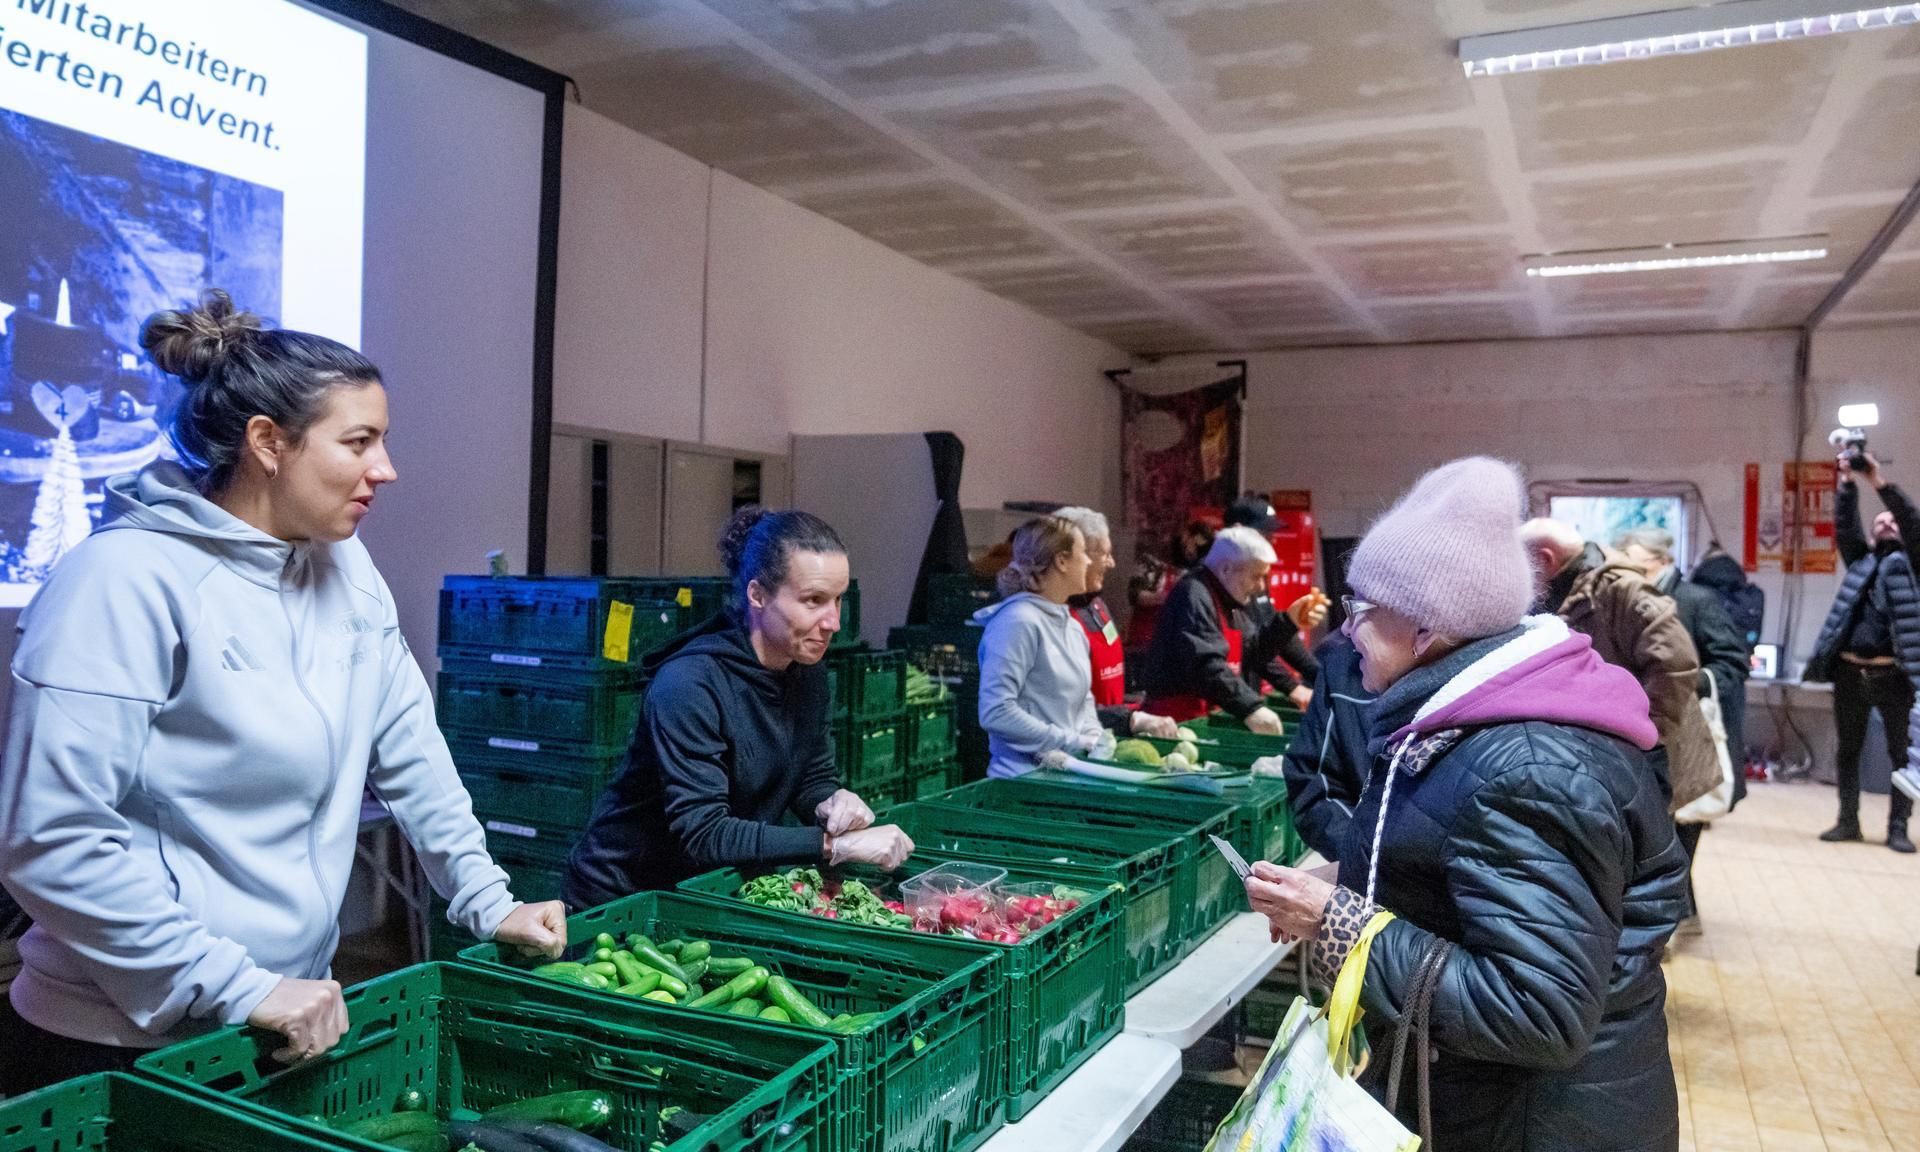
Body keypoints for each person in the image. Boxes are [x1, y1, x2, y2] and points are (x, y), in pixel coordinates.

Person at [0, 291, 567, 1094]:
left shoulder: (347, 569)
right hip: (117, 1041)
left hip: (288, 1014)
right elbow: (51, 838)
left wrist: (486, 898)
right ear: (269, 442)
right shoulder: (122, 581)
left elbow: (410, 750)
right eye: (360, 441)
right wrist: (239, 985)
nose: (387, 469)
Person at [1245, 457, 1688, 1152]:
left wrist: (1338, 921)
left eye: (1363, 610)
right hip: (1496, 1108)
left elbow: (1535, 1009)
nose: (1347, 630)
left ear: (1427, 630)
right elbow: (1468, 878)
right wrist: (1359, 879)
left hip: (1536, 1125)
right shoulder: (1473, 723)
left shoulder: (1525, 769)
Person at [565, 507, 915, 904]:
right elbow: (704, 831)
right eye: (814, 600)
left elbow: (810, 775)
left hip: (706, 888)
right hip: (624, 895)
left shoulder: (807, 670)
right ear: (758, 595)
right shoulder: (690, 684)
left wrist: (831, 801)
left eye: (837, 600)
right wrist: (835, 846)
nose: (832, 621)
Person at [1522, 518, 1719, 815]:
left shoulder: (1621, 588)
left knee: (1659, 854)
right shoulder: (1567, 589)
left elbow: (1676, 663)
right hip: (1617, 756)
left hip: (1656, 758)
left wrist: (1643, 736)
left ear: (1545, 559)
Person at [1618, 527, 1753, 927]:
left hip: (1685, 733)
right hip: (1642, 730)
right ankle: (1679, 910)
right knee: (1655, 830)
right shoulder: (1623, 599)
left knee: (1681, 826)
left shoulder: (1696, 600)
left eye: (1638, 566)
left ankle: (1669, 917)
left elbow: (1733, 660)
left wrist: (1687, 681)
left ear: (1662, 562)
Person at [1802, 451, 1920, 853]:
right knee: (1848, 749)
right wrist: (1847, 482)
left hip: (1895, 677)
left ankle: (1898, 828)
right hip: (1850, 673)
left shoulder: (1914, 565)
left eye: (1891, 522)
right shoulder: (1860, 562)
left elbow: (1910, 519)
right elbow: (1845, 526)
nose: (1886, 522)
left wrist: (1877, 481)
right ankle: (1847, 820)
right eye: (1879, 522)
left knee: (1900, 756)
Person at [974, 516, 1125, 777]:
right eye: (1082, 553)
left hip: (1068, 780)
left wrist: (1095, 740)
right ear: (1062, 561)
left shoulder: (1073, 627)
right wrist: (1072, 741)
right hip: (1022, 783)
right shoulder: (1017, 622)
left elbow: (1084, 703)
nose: (1089, 561)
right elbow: (996, 712)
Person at [1138, 526, 1298, 734]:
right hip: (1174, 725)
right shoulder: (1192, 596)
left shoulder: (1229, 601)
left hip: (1204, 721)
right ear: (1225, 569)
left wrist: (1289, 621)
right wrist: (1251, 708)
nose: (1261, 586)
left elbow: (1252, 651)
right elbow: (1206, 665)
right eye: (1256, 576)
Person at [1050, 506, 1177, 740]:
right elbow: (1057, 710)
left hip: (1108, 733)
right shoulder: (1051, 619)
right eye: (1105, 554)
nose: (1112, 563)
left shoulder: (1097, 604)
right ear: (1078, 555)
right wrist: (1127, 719)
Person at [1222, 494, 1326, 706]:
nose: (1273, 539)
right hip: (1220, 700)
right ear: (1239, 531)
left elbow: (1272, 635)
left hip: (1245, 695)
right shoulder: (1221, 582)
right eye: (1266, 532)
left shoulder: (1255, 578)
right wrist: (1291, 687)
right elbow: (1251, 646)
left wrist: (1320, 675)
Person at [1278, 633, 1372, 862]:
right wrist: (1364, 862)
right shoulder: (1342, 666)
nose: (1349, 625)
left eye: (1364, 607)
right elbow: (1314, 780)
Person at [1125, 519, 1212, 653]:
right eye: (1190, 543)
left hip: (1175, 648)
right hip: (1144, 643)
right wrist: (1164, 597)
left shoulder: (1197, 572)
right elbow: (1134, 594)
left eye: (1197, 548)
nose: (1191, 551)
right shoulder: (1151, 562)